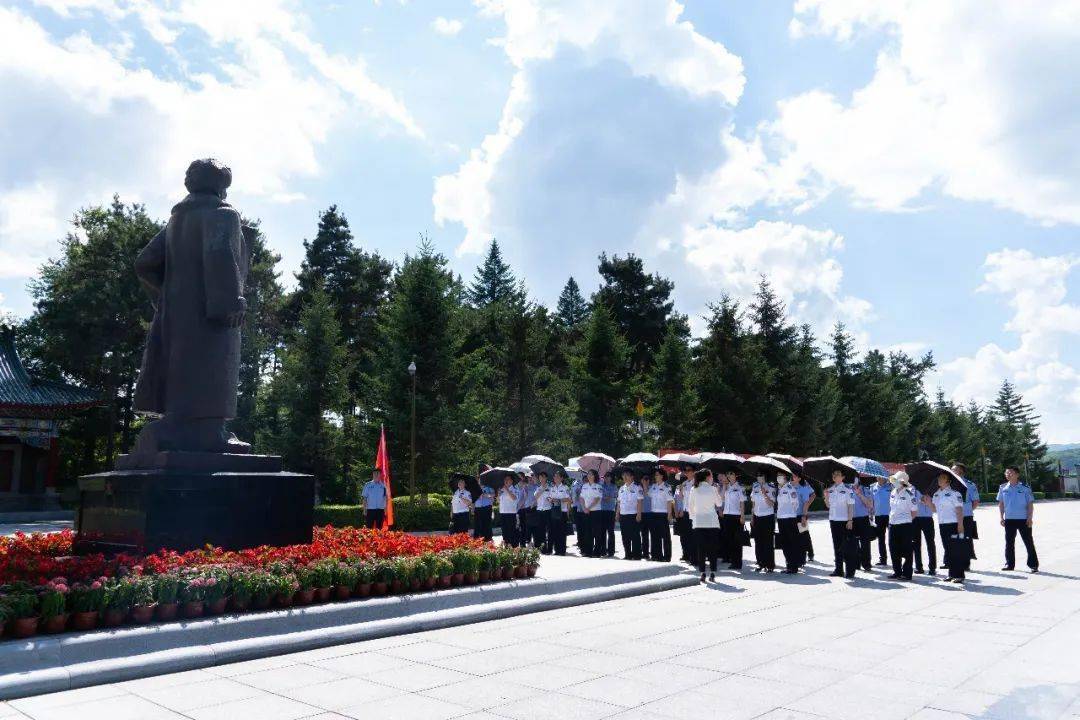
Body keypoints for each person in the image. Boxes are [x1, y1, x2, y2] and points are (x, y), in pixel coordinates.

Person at [997, 466, 1039, 573]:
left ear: (1017, 474)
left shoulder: (1025, 488)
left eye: (1010, 473)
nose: (1008, 475)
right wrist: (1001, 517)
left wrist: (1030, 517)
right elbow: (1001, 504)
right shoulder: (1003, 488)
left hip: (1023, 519)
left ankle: (1033, 565)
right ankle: (1009, 564)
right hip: (1009, 520)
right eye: (1006, 473)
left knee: (1028, 542)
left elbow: (1030, 504)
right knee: (1009, 542)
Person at [931, 472, 968, 584]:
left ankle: (959, 575)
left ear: (948, 481)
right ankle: (951, 574)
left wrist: (960, 525)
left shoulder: (955, 494)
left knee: (956, 550)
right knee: (948, 550)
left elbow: (959, 510)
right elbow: (934, 509)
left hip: (953, 524)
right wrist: (928, 503)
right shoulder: (936, 494)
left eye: (942, 478)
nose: (939, 479)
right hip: (942, 524)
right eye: (939, 477)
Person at [688, 469, 723, 582]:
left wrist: (694, 519)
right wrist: (717, 491)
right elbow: (719, 503)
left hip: (699, 522)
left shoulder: (694, 489)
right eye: (711, 476)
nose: (712, 478)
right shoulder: (713, 489)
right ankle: (712, 572)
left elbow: (690, 507)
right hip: (712, 522)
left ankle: (702, 572)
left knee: (701, 549)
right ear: (708, 477)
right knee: (712, 548)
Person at [823, 470, 856, 578]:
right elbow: (828, 506)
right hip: (833, 520)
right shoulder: (830, 489)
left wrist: (850, 520)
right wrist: (826, 497)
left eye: (837, 475)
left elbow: (851, 505)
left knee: (846, 546)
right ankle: (838, 570)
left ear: (843, 477)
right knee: (836, 546)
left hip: (844, 521)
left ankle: (850, 571)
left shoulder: (847, 489)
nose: (835, 477)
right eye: (833, 475)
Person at [886, 472, 918, 580]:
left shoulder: (909, 494)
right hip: (892, 524)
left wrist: (906, 520)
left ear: (902, 482)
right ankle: (897, 572)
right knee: (893, 549)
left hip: (905, 525)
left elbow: (914, 511)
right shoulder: (893, 492)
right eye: (893, 480)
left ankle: (907, 573)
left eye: (896, 480)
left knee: (907, 550)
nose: (893, 482)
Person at [775, 474, 804, 573]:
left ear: (785, 478)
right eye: (777, 476)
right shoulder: (779, 488)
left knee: (792, 542)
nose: (778, 478)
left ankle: (794, 566)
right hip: (781, 518)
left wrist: (790, 512)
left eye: (780, 476)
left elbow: (795, 503)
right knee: (784, 542)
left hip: (789, 518)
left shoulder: (790, 488)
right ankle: (789, 565)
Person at [749, 475, 777, 573]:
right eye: (757, 476)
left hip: (768, 517)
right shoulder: (755, 486)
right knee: (758, 541)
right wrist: (752, 517)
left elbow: (772, 504)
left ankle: (770, 565)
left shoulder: (771, 486)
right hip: (757, 516)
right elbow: (753, 503)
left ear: (765, 477)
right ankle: (760, 563)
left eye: (761, 476)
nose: (758, 477)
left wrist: (764, 493)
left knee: (768, 542)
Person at [721, 471, 746, 571]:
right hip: (727, 515)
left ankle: (738, 562)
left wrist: (742, 516)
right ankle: (732, 560)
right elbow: (722, 498)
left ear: (736, 475)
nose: (730, 476)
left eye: (732, 474)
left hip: (737, 516)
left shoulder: (740, 487)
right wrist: (724, 486)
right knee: (729, 539)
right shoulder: (727, 487)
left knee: (737, 540)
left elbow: (742, 502)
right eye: (728, 474)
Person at [647, 470, 674, 561]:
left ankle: (667, 556)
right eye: (655, 475)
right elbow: (648, 494)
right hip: (653, 513)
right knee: (655, 535)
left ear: (662, 476)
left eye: (657, 475)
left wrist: (669, 515)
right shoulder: (653, 486)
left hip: (663, 513)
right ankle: (656, 555)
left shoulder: (667, 487)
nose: (655, 476)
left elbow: (669, 501)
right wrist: (645, 485)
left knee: (665, 536)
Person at [955, 463, 980, 560]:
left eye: (954, 469)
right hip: (952, 517)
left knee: (966, 538)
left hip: (966, 516)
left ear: (960, 471)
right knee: (954, 538)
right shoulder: (949, 485)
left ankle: (966, 561)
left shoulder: (970, 485)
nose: (952, 471)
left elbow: (976, 501)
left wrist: (968, 510)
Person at [617, 470, 644, 560]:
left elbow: (640, 501)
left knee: (635, 535)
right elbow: (619, 502)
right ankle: (628, 554)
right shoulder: (621, 488)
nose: (625, 477)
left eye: (627, 475)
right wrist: (617, 514)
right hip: (623, 514)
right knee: (625, 535)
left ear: (632, 477)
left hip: (633, 514)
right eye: (623, 475)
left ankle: (637, 555)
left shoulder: (637, 487)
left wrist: (639, 514)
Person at [912, 486, 937, 576]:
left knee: (930, 543)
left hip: (927, 518)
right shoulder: (912, 489)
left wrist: (927, 499)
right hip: (915, 519)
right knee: (916, 544)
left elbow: (935, 504)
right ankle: (919, 567)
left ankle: (932, 568)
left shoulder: (930, 489)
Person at [578, 469, 604, 557]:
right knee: (587, 532)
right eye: (588, 474)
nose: (589, 476)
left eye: (591, 474)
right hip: (586, 511)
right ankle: (588, 551)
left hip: (596, 512)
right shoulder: (584, 486)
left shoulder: (598, 486)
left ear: (595, 476)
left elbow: (597, 499)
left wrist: (588, 508)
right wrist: (584, 508)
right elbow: (581, 498)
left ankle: (597, 552)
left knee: (597, 532)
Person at [546, 470, 572, 556]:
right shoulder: (552, 488)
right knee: (554, 531)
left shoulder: (565, 488)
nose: (555, 478)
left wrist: (559, 500)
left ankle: (562, 550)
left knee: (562, 532)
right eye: (554, 476)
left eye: (557, 476)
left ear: (561, 478)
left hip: (562, 512)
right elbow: (549, 498)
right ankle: (556, 550)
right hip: (554, 511)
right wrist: (551, 500)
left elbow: (569, 499)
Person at [793, 474, 817, 561]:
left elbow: (813, 495)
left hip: (802, 513)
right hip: (792, 514)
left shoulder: (804, 484)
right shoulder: (789, 483)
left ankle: (810, 553)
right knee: (795, 535)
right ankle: (798, 554)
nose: (792, 476)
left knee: (805, 534)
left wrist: (806, 504)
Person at [851, 480, 874, 572]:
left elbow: (870, 505)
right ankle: (856, 563)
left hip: (863, 519)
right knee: (853, 543)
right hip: (851, 519)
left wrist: (860, 494)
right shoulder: (847, 488)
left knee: (865, 543)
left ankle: (866, 564)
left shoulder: (865, 489)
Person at [673, 472, 695, 563]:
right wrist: (676, 512)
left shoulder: (691, 485)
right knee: (683, 535)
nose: (681, 480)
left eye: (683, 478)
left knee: (690, 535)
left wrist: (682, 510)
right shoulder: (678, 488)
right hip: (679, 514)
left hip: (687, 512)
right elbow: (675, 500)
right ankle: (685, 554)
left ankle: (691, 554)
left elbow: (686, 500)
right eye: (680, 478)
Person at [872, 474, 892, 566]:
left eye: (881, 476)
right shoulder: (872, 487)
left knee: (892, 539)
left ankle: (896, 558)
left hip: (890, 516)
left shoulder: (891, 486)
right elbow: (871, 502)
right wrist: (870, 514)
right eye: (878, 476)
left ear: (885, 477)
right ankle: (883, 559)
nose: (879, 478)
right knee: (881, 538)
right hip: (878, 516)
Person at [497, 475, 520, 548]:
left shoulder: (515, 489)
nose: (506, 481)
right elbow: (498, 501)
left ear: (512, 481)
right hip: (503, 512)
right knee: (504, 531)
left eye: (508, 479)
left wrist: (507, 489)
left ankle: (514, 547)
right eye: (505, 479)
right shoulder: (502, 490)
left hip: (511, 513)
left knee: (512, 531)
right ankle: (506, 546)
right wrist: (498, 494)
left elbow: (514, 498)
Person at [600, 471, 618, 557]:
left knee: (610, 531)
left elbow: (613, 496)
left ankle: (611, 551)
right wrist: (607, 496)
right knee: (602, 531)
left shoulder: (614, 486)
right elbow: (601, 496)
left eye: (608, 476)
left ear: (611, 478)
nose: (606, 478)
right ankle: (603, 550)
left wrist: (606, 496)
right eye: (605, 477)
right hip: (602, 510)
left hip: (610, 510)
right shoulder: (601, 486)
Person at [532, 472, 552, 551]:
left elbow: (552, 498)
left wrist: (550, 499)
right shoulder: (538, 488)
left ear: (546, 478)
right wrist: (543, 489)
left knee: (550, 530)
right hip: (540, 511)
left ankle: (550, 548)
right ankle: (543, 548)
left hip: (548, 510)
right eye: (540, 477)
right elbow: (536, 497)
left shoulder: (550, 488)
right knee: (541, 530)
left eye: (543, 477)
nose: (542, 479)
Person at [473, 476, 495, 541]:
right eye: (478, 480)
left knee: (487, 523)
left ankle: (488, 538)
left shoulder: (488, 487)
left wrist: (486, 495)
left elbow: (493, 495)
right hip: (478, 508)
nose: (479, 481)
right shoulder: (475, 488)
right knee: (477, 523)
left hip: (487, 507)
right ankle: (477, 538)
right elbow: (473, 499)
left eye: (481, 479)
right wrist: (473, 508)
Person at [517, 474, 535, 547]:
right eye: (518, 479)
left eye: (521, 478)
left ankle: (523, 543)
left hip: (522, 509)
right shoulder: (515, 487)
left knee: (523, 527)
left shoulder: (525, 487)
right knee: (517, 527)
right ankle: (516, 543)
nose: (520, 480)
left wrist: (519, 507)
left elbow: (525, 498)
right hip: (515, 510)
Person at [639, 475, 652, 560]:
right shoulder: (639, 489)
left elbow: (648, 495)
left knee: (652, 534)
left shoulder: (652, 488)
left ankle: (653, 552)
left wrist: (645, 486)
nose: (645, 481)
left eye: (647, 480)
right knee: (644, 534)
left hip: (651, 513)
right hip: (642, 513)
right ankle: (645, 552)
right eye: (644, 480)